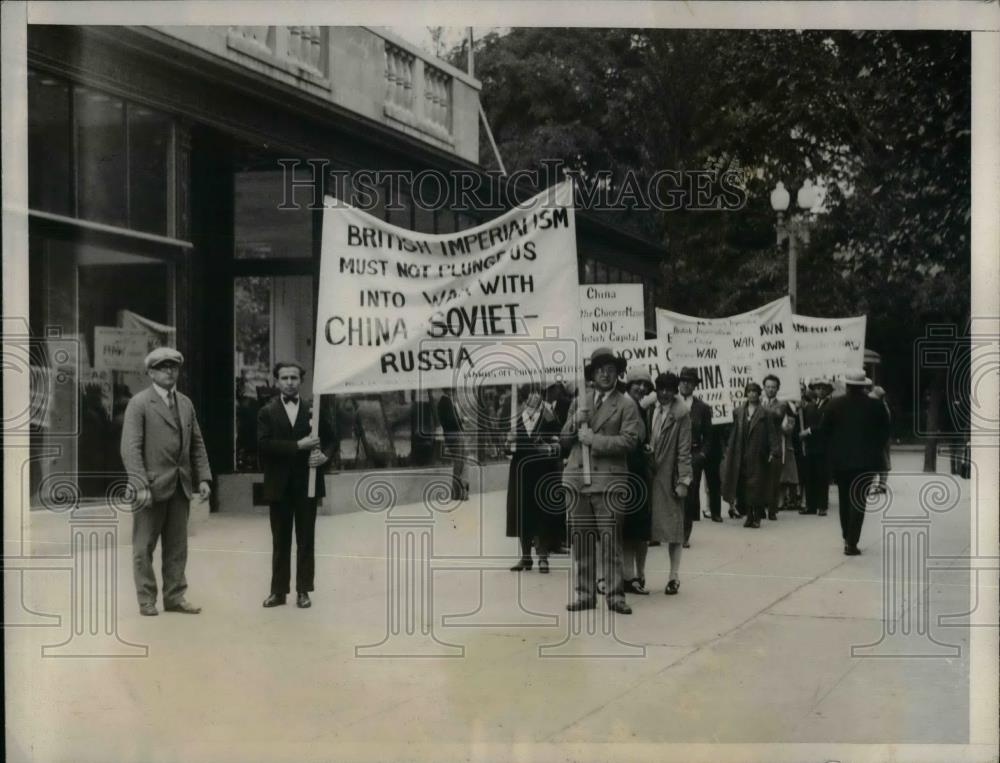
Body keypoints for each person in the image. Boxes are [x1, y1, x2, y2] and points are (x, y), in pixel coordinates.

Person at [120, 347, 212, 617]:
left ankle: (175, 596)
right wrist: (139, 485)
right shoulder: (139, 403)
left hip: (179, 486)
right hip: (148, 488)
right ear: (150, 372)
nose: (169, 372)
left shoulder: (185, 403)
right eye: (162, 367)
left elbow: (197, 444)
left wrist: (204, 478)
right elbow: (130, 447)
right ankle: (147, 599)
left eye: (173, 367)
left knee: (177, 546)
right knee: (143, 547)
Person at [560, 346, 642, 615]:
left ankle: (615, 595)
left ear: (617, 374)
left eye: (610, 370)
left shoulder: (626, 404)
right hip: (579, 480)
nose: (605, 375)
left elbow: (630, 440)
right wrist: (575, 421)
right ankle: (584, 594)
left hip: (608, 481)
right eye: (599, 370)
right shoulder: (580, 401)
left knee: (610, 541)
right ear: (592, 374)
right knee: (581, 539)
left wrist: (594, 440)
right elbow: (563, 440)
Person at [258, 362, 335, 609]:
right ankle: (278, 592)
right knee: (280, 540)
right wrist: (297, 446)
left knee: (306, 539)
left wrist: (325, 457)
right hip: (278, 486)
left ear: (301, 380)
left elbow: (331, 438)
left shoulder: (315, 409)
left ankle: (304, 591)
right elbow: (263, 445)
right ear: (277, 381)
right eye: (284, 378)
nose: (289, 382)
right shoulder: (267, 411)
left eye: (294, 377)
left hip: (307, 484)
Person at [821, 372, 891, 555]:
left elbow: (824, 431)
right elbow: (885, 433)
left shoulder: (834, 404)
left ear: (847, 385)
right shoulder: (876, 405)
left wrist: (834, 449)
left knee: (844, 499)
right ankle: (852, 541)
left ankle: (846, 536)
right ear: (863, 386)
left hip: (841, 462)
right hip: (866, 462)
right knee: (859, 501)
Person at [505, 390, 563, 573]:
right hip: (521, 471)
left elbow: (559, 443)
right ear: (523, 400)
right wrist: (508, 441)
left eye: (538, 394)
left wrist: (548, 447)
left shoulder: (549, 418)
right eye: (531, 395)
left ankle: (543, 557)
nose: (534, 397)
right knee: (522, 512)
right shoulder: (514, 419)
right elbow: (506, 450)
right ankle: (525, 556)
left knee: (543, 513)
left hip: (543, 471)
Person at [647, 372, 693, 595]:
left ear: (675, 391)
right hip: (648, 475)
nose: (664, 393)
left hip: (670, 475)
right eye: (660, 388)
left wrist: (684, 480)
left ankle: (674, 576)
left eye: (669, 389)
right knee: (644, 527)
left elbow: (684, 450)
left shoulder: (681, 414)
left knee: (674, 528)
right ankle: (638, 574)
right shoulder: (649, 408)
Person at [721, 381, 780, 529]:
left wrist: (774, 451)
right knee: (744, 485)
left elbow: (772, 433)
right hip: (742, 453)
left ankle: (757, 516)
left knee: (757, 486)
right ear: (746, 394)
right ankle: (749, 515)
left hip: (759, 453)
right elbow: (731, 432)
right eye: (749, 391)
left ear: (759, 394)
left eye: (755, 391)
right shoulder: (738, 412)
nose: (752, 394)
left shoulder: (766, 413)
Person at [621, 368, 654, 595]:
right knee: (630, 530)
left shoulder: (642, 409)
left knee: (639, 530)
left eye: (645, 384)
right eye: (637, 383)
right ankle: (629, 576)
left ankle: (637, 575)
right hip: (626, 473)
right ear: (629, 384)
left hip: (639, 473)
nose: (641, 388)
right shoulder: (626, 406)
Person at [678, 367, 715, 541]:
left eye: (689, 382)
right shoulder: (670, 403)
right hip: (672, 453)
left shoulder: (702, 408)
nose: (686, 384)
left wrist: (702, 455)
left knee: (690, 494)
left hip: (693, 454)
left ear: (695, 385)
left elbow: (708, 436)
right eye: (683, 380)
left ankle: (685, 533)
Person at [760, 374, 796, 520]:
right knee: (760, 476)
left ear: (778, 389)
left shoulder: (782, 405)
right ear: (764, 388)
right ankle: (761, 508)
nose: (770, 390)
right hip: (761, 443)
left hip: (776, 442)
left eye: (773, 387)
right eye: (768, 387)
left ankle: (773, 509)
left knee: (774, 477)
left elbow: (786, 423)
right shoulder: (760, 403)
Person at [799, 377, 834, 515]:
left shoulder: (831, 406)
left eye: (823, 388)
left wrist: (807, 431)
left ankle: (822, 506)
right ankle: (810, 505)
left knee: (822, 476)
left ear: (828, 390)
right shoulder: (810, 406)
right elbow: (805, 421)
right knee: (810, 475)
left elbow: (825, 426)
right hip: (810, 445)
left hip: (824, 446)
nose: (820, 391)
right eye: (818, 388)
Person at [437, 388, 469, 501]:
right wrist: (462, 420)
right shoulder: (446, 402)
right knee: (459, 463)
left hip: (451, 435)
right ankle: (457, 492)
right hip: (454, 435)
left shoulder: (444, 402)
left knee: (460, 462)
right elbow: (452, 420)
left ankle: (458, 492)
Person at [869, 386, 892, 493]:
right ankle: (881, 485)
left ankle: (880, 485)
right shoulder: (883, 406)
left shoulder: (881, 407)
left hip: (880, 438)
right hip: (883, 437)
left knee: (881, 462)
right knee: (882, 462)